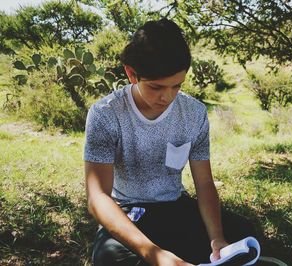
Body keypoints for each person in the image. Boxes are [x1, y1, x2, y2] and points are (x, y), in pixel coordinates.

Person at [84, 18, 257, 266]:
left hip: (176, 206)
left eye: (177, 86)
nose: (167, 97)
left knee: (242, 232)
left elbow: (205, 183)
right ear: (131, 73)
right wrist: (154, 254)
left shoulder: (194, 113)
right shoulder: (105, 114)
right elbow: (98, 197)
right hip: (130, 212)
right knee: (111, 258)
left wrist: (217, 239)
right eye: (156, 87)